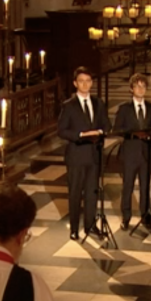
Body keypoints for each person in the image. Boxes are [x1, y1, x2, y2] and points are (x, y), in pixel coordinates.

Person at [57, 67, 109, 241]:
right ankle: (74, 228)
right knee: (75, 193)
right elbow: (62, 130)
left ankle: (90, 225)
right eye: (81, 81)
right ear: (75, 83)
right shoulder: (68, 106)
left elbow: (106, 124)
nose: (85, 84)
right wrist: (80, 135)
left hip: (94, 155)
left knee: (92, 193)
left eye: (88, 81)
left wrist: (101, 131)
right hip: (77, 156)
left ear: (92, 83)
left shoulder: (98, 103)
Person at [111, 73, 151, 231]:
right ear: (131, 89)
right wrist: (133, 133)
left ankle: (145, 216)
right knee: (128, 186)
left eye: (143, 86)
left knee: (146, 186)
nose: (140, 89)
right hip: (130, 152)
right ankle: (126, 217)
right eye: (137, 86)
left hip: (146, 152)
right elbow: (117, 129)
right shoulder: (124, 109)